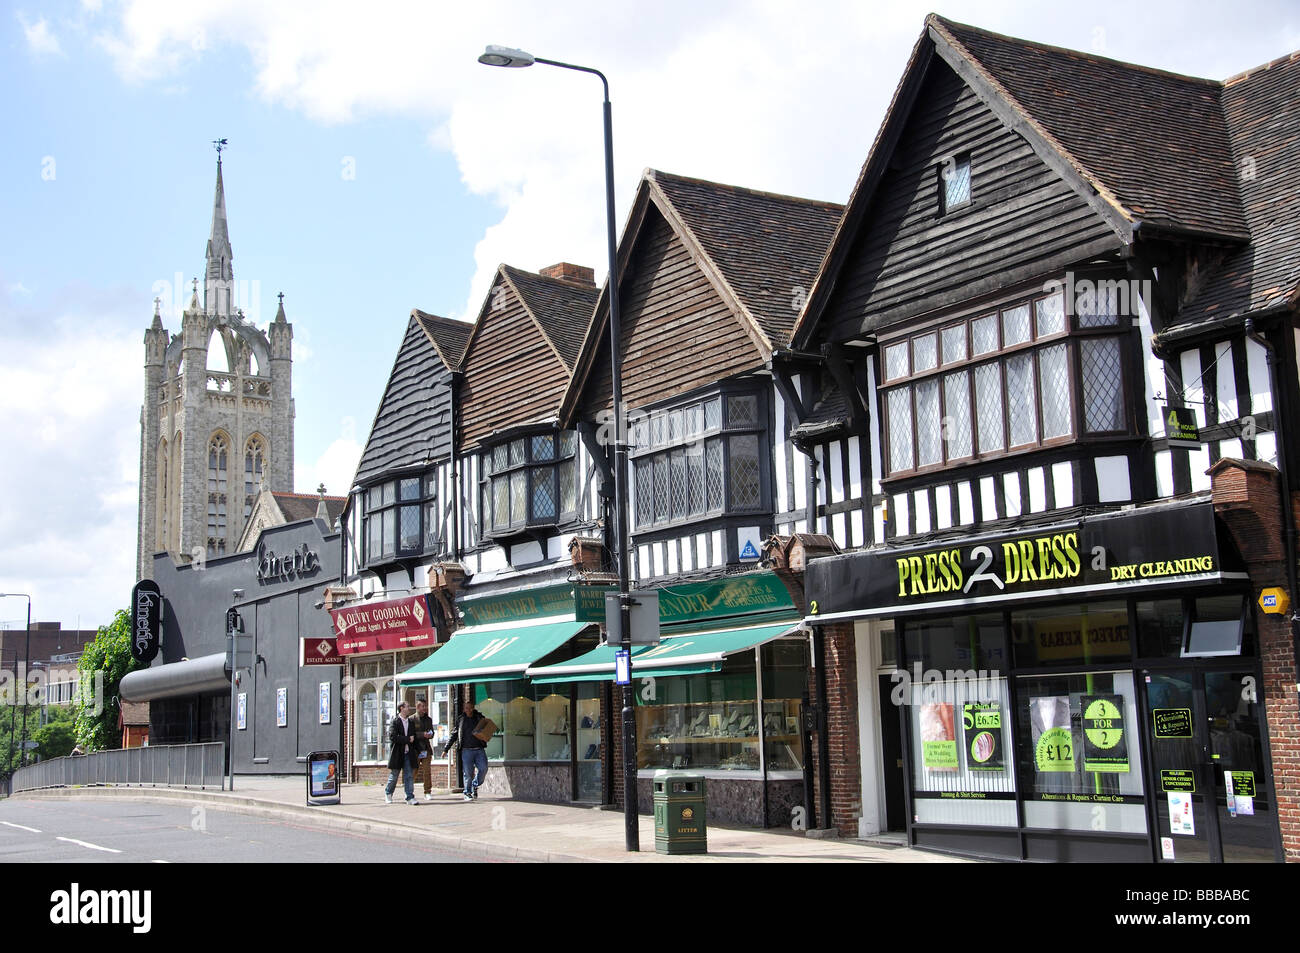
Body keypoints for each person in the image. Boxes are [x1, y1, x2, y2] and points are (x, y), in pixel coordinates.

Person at [446, 698, 488, 801]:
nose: (468, 710)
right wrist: (446, 748)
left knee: (483, 768)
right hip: (466, 750)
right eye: (466, 708)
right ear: (464, 709)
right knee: (468, 773)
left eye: (470, 708)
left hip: (479, 749)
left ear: (473, 708)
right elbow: (454, 734)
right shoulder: (461, 720)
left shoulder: (479, 717)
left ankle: (475, 784)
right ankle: (467, 792)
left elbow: (487, 729)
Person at [384, 701, 419, 805]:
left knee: (409, 775)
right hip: (398, 753)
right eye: (407, 707)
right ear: (401, 708)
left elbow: (414, 737)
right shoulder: (395, 721)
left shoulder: (410, 722)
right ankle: (388, 793)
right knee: (394, 775)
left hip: (408, 753)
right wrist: (408, 739)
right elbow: (393, 737)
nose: (409, 708)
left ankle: (410, 797)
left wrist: (418, 750)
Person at [412, 699, 437, 801]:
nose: (424, 708)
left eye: (425, 706)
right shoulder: (412, 719)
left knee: (427, 771)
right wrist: (423, 734)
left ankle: (427, 791)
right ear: (418, 707)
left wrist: (430, 734)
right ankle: (409, 792)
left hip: (425, 749)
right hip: (415, 749)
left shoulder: (428, 719)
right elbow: (411, 734)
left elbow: (432, 732)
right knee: (414, 771)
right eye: (422, 706)